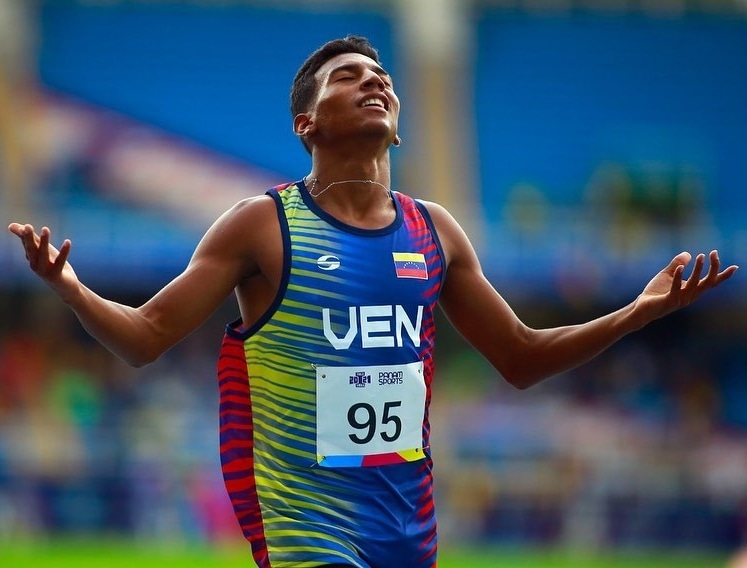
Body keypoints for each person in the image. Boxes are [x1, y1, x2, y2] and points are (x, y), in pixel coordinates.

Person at [7, 35, 739, 568]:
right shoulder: (262, 224)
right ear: (307, 125)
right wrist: (69, 288)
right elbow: (146, 337)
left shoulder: (435, 232)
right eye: (348, 77)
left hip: (406, 531)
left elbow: (519, 357)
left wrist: (634, 313)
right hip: (306, 528)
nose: (375, 82)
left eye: (382, 75)